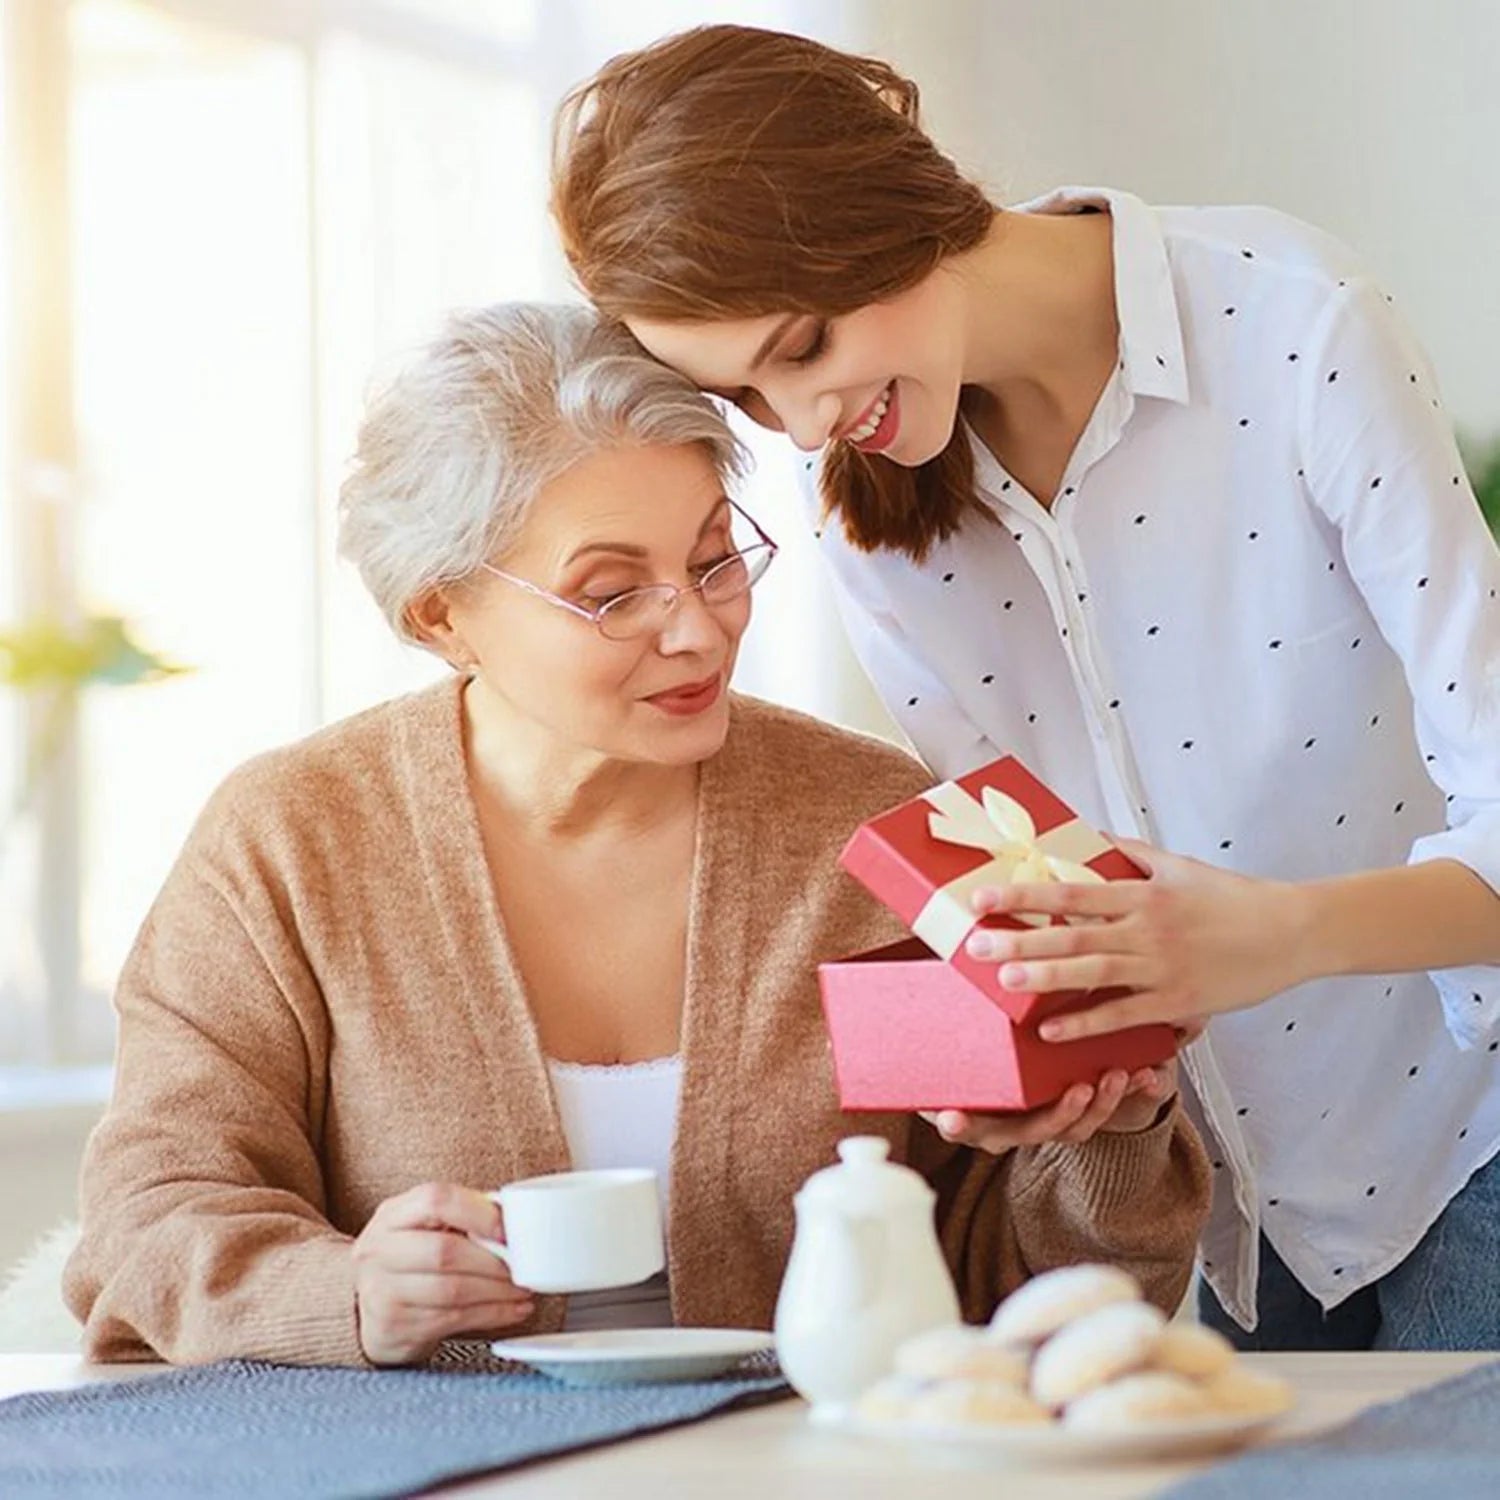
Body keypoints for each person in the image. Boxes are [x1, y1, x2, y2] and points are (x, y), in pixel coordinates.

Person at [550, 25, 1500, 1351]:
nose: (807, 419)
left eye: (805, 343)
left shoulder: (1291, 324)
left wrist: (1278, 935)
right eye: (751, 397)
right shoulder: (874, 523)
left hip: (1465, 1132)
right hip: (1233, 1211)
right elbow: (1048, 890)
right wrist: (1051, 1054)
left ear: (887, 205)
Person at [63, 303, 1208, 1367]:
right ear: (441, 613)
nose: (697, 632)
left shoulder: (879, 827)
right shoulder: (290, 841)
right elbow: (151, 1215)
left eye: (716, 560)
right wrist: (344, 1293)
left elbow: (1035, 1298)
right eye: (614, 594)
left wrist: (1115, 1123)